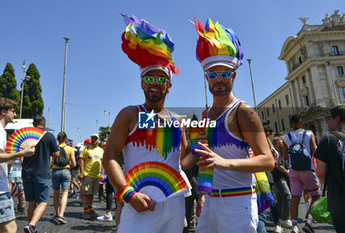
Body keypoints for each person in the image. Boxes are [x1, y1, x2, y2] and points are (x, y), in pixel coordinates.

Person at [181, 18, 274, 233]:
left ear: (234, 75)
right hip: (211, 200)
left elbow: (267, 160)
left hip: (238, 201)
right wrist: (202, 195)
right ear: (206, 77)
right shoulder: (206, 114)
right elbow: (199, 161)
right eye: (213, 75)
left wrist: (225, 162)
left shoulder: (244, 112)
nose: (219, 80)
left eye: (225, 74)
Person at [103, 14, 190, 233]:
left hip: (174, 204)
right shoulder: (130, 115)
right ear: (142, 83)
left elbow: (183, 162)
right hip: (139, 201)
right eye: (149, 78)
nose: (154, 83)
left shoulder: (177, 120)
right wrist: (127, 194)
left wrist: (203, 147)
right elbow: (110, 156)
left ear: (169, 86)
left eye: (161, 79)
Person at [0, 97, 35, 233]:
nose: (15, 115)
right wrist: (21, 153)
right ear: (3, 112)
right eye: (13, 111)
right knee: (10, 228)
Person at [21, 115, 59, 233]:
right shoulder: (49, 136)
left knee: (31, 203)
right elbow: (56, 154)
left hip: (27, 173)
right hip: (42, 173)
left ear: (33, 123)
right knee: (42, 202)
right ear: (44, 123)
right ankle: (31, 225)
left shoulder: (26, 135)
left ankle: (34, 229)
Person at [282, 114, 319, 233]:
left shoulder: (286, 137)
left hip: (293, 171)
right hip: (308, 169)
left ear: (291, 123)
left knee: (295, 199)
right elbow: (316, 152)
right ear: (301, 122)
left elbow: (284, 156)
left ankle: (294, 227)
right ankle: (308, 222)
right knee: (316, 196)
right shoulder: (309, 134)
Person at [315, 106, 345, 232]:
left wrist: (326, 186)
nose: (326, 122)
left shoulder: (328, 139)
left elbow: (320, 172)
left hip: (338, 198)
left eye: (328, 118)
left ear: (337, 119)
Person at [51, 132, 76, 224]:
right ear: (65, 139)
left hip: (55, 171)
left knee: (56, 193)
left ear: (57, 139)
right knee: (65, 193)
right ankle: (61, 215)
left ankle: (56, 213)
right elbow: (74, 163)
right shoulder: (70, 149)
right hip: (66, 171)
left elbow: (50, 163)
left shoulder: (54, 148)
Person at [79, 133, 104, 219]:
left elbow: (102, 163)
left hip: (97, 175)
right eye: (92, 138)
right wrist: (82, 172)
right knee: (87, 193)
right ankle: (86, 210)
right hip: (88, 175)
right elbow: (81, 160)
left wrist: (103, 174)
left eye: (95, 138)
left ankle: (90, 209)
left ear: (98, 140)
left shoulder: (101, 150)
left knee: (92, 193)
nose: (93, 140)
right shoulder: (86, 149)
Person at [272, 137, 292, 229]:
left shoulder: (280, 152)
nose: (282, 144)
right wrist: (287, 172)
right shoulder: (275, 153)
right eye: (280, 143)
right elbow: (279, 166)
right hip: (279, 178)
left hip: (280, 178)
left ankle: (280, 218)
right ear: (276, 144)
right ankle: (285, 218)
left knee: (280, 199)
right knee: (287, 196)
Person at [97, 142, 114, 222]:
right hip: (123, 172)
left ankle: (108, 214)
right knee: (119, 194)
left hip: (113, 173)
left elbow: (104, 163)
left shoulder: (111, 149)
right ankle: (118, 213)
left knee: (109, 192)